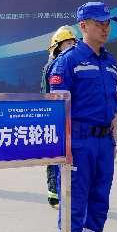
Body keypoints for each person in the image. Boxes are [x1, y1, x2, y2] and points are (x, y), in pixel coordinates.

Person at [49, 2, 117, 232]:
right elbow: (58, 108)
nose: (105, 28)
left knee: (99, 199)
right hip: (77, 141)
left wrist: (113, 139)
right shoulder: (68, 61)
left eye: (108, 23)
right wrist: (63, 147)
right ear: (83, 26)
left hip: (103, 142)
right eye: (99, 23)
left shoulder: (110, 62)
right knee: (74, 201)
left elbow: (114, 104)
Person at [42, 26, 78, 208]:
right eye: (68, 43)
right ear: (57, 46)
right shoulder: (54, 65)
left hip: (67, 117)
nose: (72, 47)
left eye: (73, 43)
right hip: (54, 117)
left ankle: (63, 192)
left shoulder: (69, 64)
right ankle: (54, 195)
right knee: (54, 156)